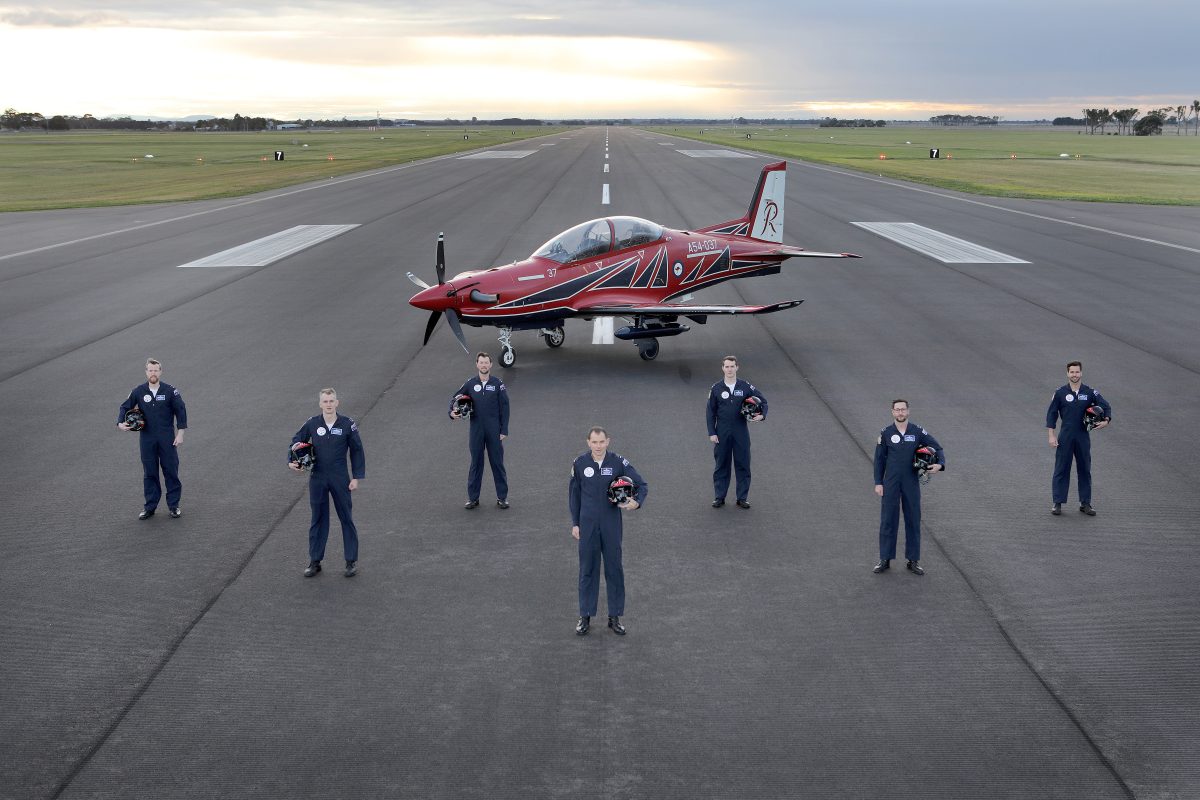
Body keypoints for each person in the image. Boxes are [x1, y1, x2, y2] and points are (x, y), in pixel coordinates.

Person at [569, 427, 647, 636]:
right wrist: (575, 523)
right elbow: (574, 495)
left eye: (602, 442)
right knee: (587, 570)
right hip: (587, 525)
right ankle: (585, 616)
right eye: (594, 442)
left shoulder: (618, 462)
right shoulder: (579, 464)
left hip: (611, 524)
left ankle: (615, 616)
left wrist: (636, 503)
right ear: (588, 442)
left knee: (614, 569)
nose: (598, 446)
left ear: (608, 441)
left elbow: (641, 484)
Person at [289, 388, 366, 578]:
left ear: (337, 403)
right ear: (320, 404)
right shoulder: (312, 424)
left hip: (340, 478)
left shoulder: (347, 424)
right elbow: (296, 442)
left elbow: (357, 450)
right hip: (318, 478)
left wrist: (356, 477)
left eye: (332, 401)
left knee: (346, 518)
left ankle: (351, 561)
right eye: (325, 401)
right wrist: (292, 461)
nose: (329, 404)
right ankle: (315, 561)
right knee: (318, 519)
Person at [873, 399, 944, 576]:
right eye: (897, 410)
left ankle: (913, 560)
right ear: (892, 412)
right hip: (891, 482)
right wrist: (878, 483)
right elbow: (879, 460)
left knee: (913, 519)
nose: (900, 413)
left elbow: (937, 447)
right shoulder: (886, 433)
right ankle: (885, 559)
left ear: (908, 411)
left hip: (911, 482)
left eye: (903, 409)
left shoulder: (918, 431)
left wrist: (940, 464)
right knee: (888, 519)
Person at [117, 358, 187, 520]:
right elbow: (125, 406)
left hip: (167, 438)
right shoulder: (138, 391)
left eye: (156, 370)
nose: (153, 373)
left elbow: (181, 410)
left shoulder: (170, 391)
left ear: (160, 372)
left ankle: (174, 506)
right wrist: (120, 423)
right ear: (146, 372)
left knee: (170, 470)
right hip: (147, 438)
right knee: (150, 473)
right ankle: (150, 507)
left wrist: (181, 433)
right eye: (150, 370)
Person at [1046, 361, 1111, 516]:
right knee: (1061, 469)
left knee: (1084, 469)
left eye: (1077, 372)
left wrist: (1106, 420)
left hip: (1083, 436)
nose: (1074, 375)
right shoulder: (1060, 393)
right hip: (1065, 436)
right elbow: (1052, 414)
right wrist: (1051, 435)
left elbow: (1106, 406)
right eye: (1072, 372)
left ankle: (1085, 503)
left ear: (1081, 373)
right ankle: (1057, 503)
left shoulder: (1090, 392)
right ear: (1067, 374)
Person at [449, 352, 510, 509]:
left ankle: (502, 498)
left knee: (497, 463)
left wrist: (504, 430)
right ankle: (473, 498)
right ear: (477, 364)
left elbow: (505, 407)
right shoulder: (470, 384)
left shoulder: (498, 384)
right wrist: (451, 412)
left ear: (491, 365)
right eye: (481, 362)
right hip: (476, 430)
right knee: (476, 463)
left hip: (494, 430)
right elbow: (455, 398)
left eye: (486, 363)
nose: (484, 365)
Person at [706, 355, 767, 509]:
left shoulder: (745, 386)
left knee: (743, 464)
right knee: (721, 465)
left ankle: (742, 498)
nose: (729, 369)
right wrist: (712, 433)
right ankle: (719, 497)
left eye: (732, 366)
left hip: (741, 432)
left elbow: (763, 401)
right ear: (722, 368)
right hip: (722, 433)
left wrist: (762, 415)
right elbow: (710, 413)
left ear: (737, 367)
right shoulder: (716, 388)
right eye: (727, 366)